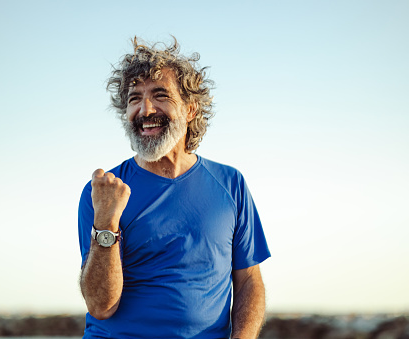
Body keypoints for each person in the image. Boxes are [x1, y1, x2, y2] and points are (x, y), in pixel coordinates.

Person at [78, 37, 271, 339]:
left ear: (191, 109)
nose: (145, 109)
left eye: (160, 95)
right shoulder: (103, 192)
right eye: (133, 99)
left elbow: (248, 280)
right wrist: (106, 220)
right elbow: (101, 306)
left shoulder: (230, 184)